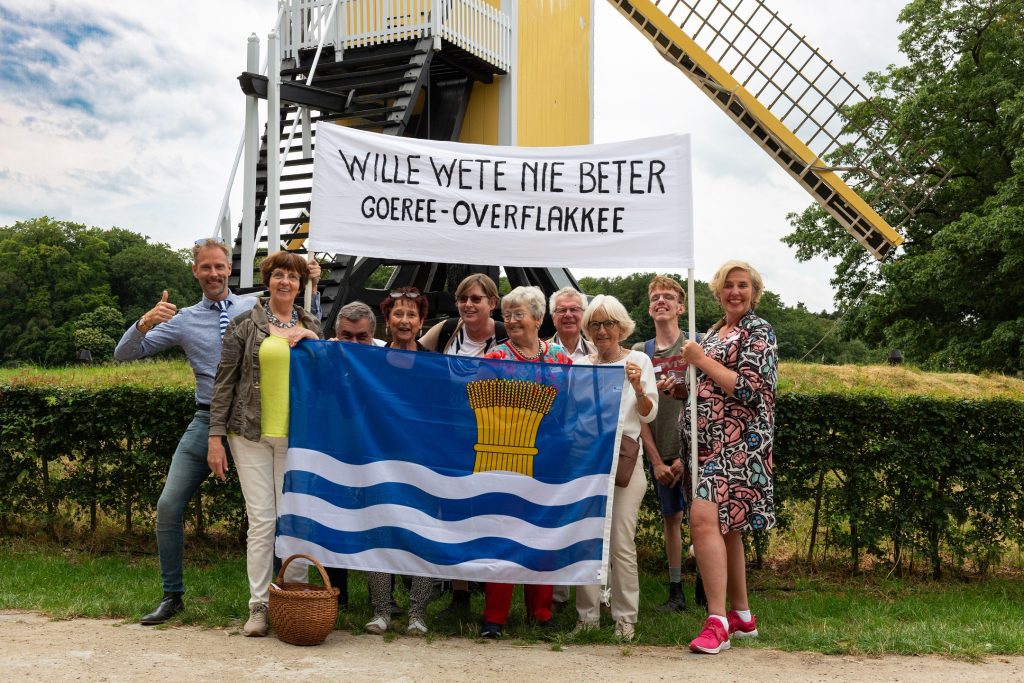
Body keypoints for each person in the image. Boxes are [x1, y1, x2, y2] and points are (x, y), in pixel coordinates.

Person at [113, 238, 320, 626]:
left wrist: (313, 286)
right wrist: (143, 323)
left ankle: (288, 600)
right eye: (205, 267)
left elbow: (302, 331)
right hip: (208, 418)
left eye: (219, 267)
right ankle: (172, 595)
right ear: (195, 271)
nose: (213, 274)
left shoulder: (252, 308)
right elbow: (126, 354)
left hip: (258, 421)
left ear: (229, 269)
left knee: (276, 513)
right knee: (169, 506)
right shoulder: (185, 319)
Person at [207, 251, 321, 637]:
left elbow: (326, 378)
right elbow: (223, 383)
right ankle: (258, 607)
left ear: (301, 283)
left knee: (295, 521)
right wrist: (215, 438)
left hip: (296, 438)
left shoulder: (310, 324)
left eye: (292, 276)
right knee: (262, 522)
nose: (285, 282)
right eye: (278, 275)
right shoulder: (243, 325)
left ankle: (294, 601)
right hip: (250, 434)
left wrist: (314, 340)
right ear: (268, 280)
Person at [680, 260, 777, 655]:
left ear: (754, 292)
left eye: (742, 285)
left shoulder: (759, 331)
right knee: (726, 528)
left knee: (704, 521)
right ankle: (741, 615)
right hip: (706, 443)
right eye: (728, 285)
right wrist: (679, 386)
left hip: (738, 444)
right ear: (718, 291)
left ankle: (716, 622)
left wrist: (700, 360)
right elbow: (709, 384)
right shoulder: (714, 332)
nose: (735, 292)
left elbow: (751, 389)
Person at [478, 286, 572, 639]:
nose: (512, 320)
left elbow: (571, 405)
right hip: (506, 455)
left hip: (551, 457)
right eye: (508, 314)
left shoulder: (561, 357)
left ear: (538, 318)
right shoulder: (496, 359)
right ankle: (494, 618)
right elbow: (483, 408)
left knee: (542, 535)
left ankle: (541, 613)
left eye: (519, 313)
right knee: (502, 533)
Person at [419, 273, 506, 617]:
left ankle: (492, 586)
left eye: (476, 299)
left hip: (491, 437)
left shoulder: (503, 333)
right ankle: (460, 594)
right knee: (454, 511)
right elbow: (410, 351)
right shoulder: (446, 331)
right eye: (463, 299)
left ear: (492, 303)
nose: (468, 305)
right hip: (448, 436)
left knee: (487, 512)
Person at [573, 295, 657, 643]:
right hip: (588, 462)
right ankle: (587, 618)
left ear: (622, 327)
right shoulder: (578, 364)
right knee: (586, 540)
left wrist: (637, 386)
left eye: (609, 323)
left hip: (625, 463)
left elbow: (649, 413)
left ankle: (625, 620)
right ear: (587, 329)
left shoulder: (638, 360)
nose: (602, 330)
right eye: (595, 324)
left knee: (621, 542)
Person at [363, 287, 436, 636]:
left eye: (411, 315)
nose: (404, 321)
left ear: (421, 322)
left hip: (422, 464)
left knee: (421, 535)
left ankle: (417, 613)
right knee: (379, 533)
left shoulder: (434, 366)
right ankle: (382, 611)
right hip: (378, 460)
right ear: (387, 320)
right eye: (397, 314)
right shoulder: (370, 363)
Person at [632, 275, 697, 613]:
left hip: (697, 453)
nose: (661, 301)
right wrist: (656, 462)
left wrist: (688, 458)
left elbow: (708, 405)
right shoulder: (640, 354)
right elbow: (636, 415)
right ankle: (676, 592)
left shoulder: (695, 346)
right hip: (662, 450)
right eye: (656, 297)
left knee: (702, 518)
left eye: (668, 297)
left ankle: (705, 582)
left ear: (681, 307)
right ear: (649, 307)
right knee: (671, 519)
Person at [545, 286, 593, 610]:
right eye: (562, 310)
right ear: (552, 317)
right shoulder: (542, 352)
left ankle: (591, 594)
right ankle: (556, 595)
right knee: (554, 519)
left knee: (585, 520)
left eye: (575, 309)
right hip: (549, 448)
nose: (568, 315)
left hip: (586, 450)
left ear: (584, 314)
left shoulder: (599, 353)